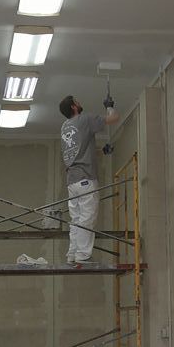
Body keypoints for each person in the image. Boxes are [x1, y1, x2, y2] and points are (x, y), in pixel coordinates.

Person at [59, 94, 119, 265]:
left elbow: (79, 151)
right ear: (73, 107)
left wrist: (101, 151)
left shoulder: (65, 127)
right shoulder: (85, 119)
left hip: (72, 181)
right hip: (86, 178)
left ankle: (72, 254)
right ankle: (83, 255)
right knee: (87, 217)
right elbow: (113, 118)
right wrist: (109, 106)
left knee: (76, 219)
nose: (79, 103)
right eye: (77, 101)